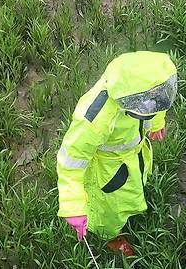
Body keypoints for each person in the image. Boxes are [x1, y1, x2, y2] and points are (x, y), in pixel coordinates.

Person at [56, 51, 177, 255]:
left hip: (134, 156)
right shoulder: (94, 119)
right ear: (129, 100)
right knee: (109, 211)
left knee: (133, 190)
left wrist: (156, 123)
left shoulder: (144, 89)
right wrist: (73, 205)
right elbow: (70, 163)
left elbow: (158, 103)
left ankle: (130, 209)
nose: (155, 103)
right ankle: (111, 237)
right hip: (108, 170)